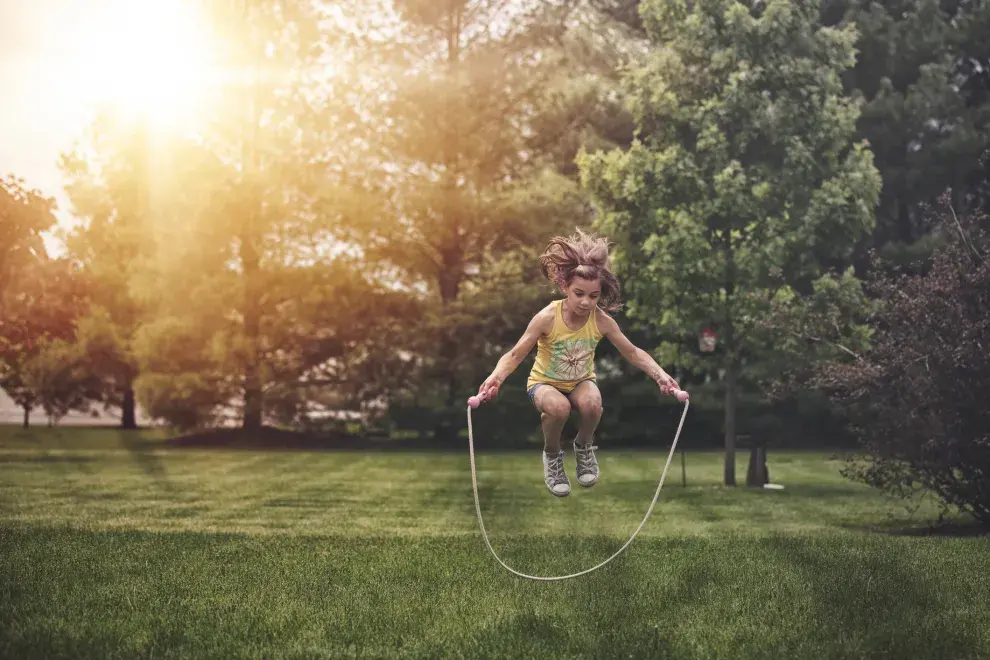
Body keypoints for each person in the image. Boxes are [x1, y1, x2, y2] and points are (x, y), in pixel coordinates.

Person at [477, 230, 680, 497]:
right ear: (565, 288)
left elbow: (632, 352)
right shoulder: (547, 317)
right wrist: (496, 378)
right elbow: (515, 355)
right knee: (559, 408)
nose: (586, 302)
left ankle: (583, 446)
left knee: (593, 403)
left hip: (580, 381)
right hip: (544, 383)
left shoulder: (602, 320)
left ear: (600, 294)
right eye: (579, 294)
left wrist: (661, 375)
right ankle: (552, 455)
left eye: (593, 296)